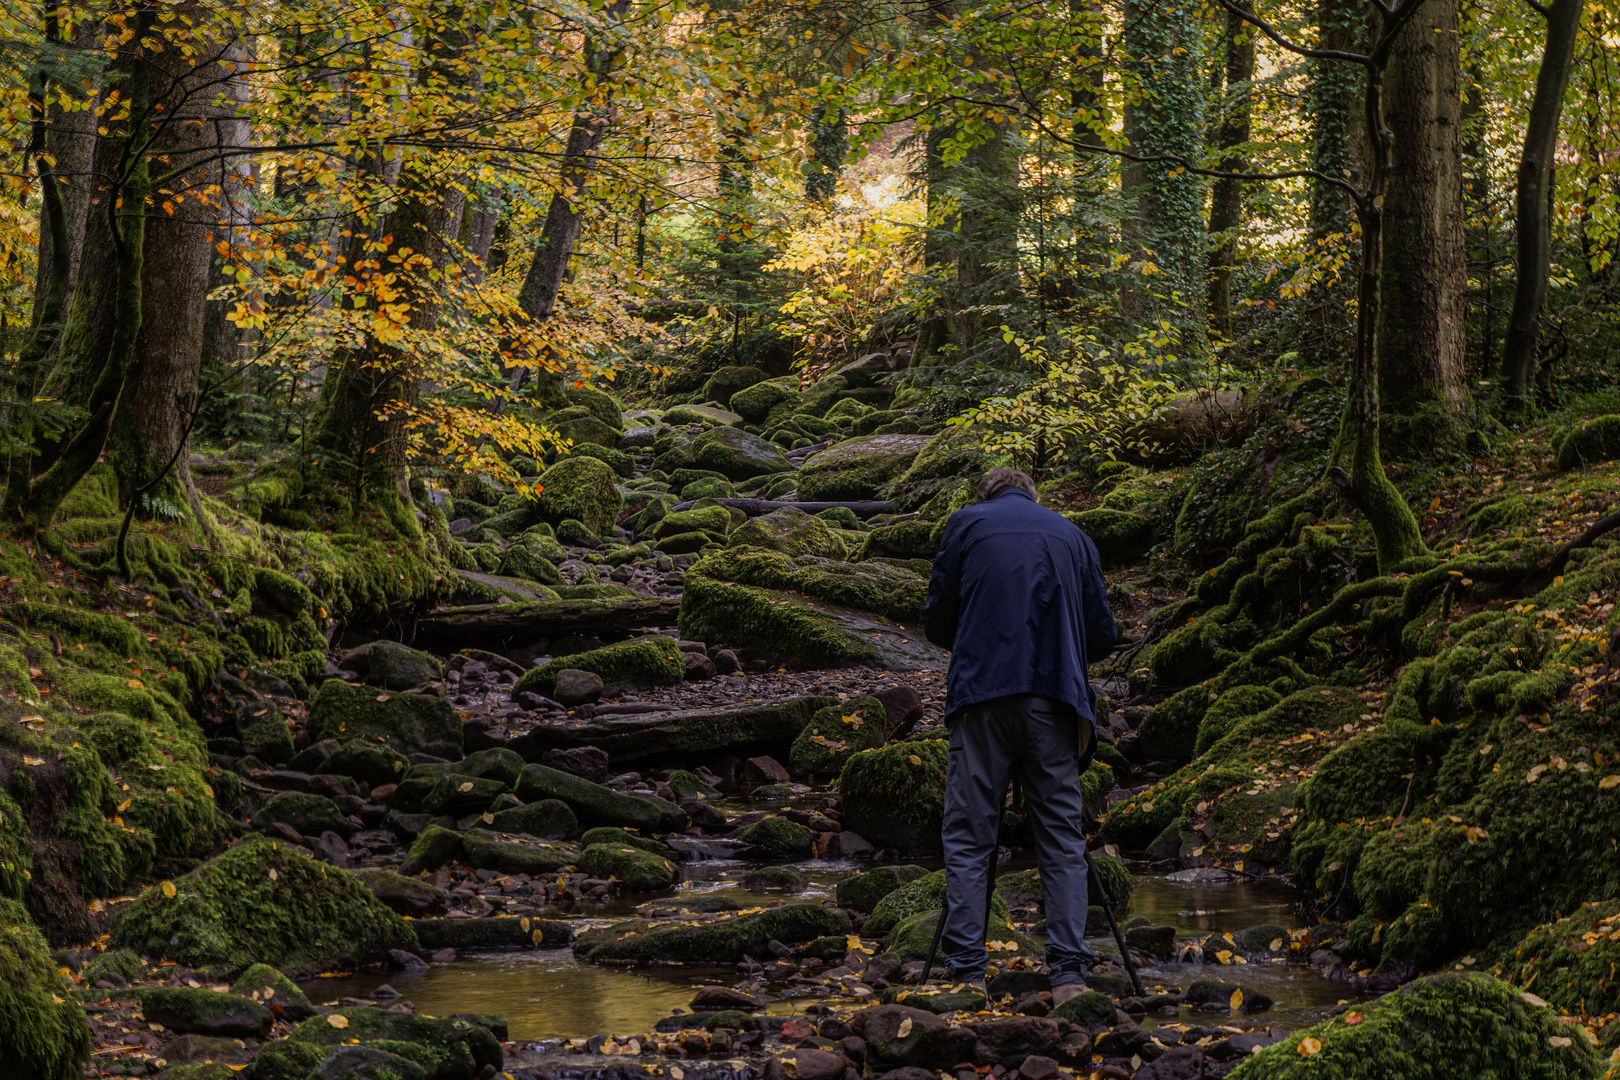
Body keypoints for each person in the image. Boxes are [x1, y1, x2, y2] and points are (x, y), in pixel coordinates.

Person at [923, 466, 1119, 1005]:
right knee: (1059, 838)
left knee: (968, 838)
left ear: (985, 495)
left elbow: (938, 624)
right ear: (1034, 495)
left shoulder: (964, 527)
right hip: (1054, 701)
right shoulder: (1072, 535)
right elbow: (1103, 634)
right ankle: (1070, 976)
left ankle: (966, 974)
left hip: (981, 700)